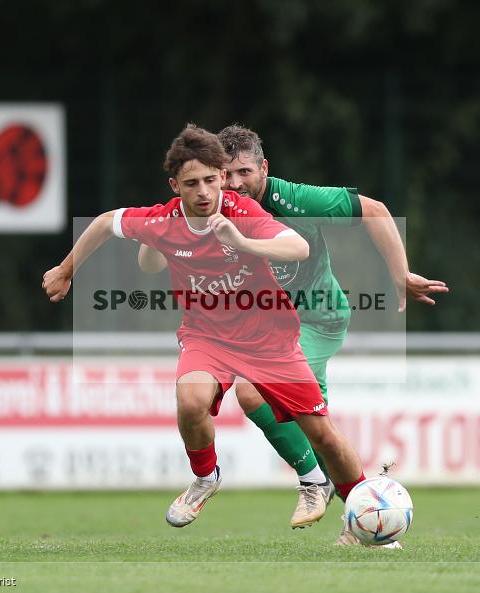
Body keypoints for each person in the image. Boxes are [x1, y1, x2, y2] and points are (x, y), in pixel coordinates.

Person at [43, 124, 370, 538]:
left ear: (221, 177)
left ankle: (365, 510)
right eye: (192, 183)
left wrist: (243, 242)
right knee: (190, 398)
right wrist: (66, 269)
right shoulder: (164, 219)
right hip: (206, 337)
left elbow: (298, 248)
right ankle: (206, 476)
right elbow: (107, 222)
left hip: (268, 338)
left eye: (211, 180)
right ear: (174, 186)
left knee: (323, 435)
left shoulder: (241, 212)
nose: (204, 192)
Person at [138, 125, 448, 544]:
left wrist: (400, 274)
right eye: (226, 174)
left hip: (316, 319)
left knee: (253, 393)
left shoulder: (295, 200)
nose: (235, 184)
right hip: (264, 330)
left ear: (264, 169)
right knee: (319, 429)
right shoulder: (211, 211)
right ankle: (365, 519)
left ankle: (315, 481)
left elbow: (373, 210)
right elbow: (159, 257)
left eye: (245, 172)